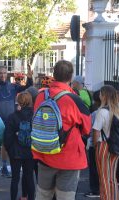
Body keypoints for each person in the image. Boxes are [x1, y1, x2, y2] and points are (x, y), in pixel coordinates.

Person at [33, 60, 91, 200]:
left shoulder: (41, 95)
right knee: (65, 197)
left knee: (43, 195)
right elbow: (87, 128)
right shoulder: (74, 100)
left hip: (44, 152)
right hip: (68, 157)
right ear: (71, 77)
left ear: (54, 74)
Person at [0, 66, 33, 177]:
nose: (3, 75)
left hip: (11, 121)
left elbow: (28, 86)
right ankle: (1, 166)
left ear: (7, 74)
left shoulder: (13, 87)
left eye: (4, 73)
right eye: (0, 73)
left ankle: (7, 166)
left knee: (10, 144)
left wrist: (29, 77)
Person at [93, 85, 119, 200]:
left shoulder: (102, 111)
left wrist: (96, 145)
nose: (99, 95)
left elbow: (96, 131)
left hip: (104, 145)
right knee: (112, 178)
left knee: (104, 178)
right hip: (116, 145)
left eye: (101, 93)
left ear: (104, 95)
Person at [4, 92, 35, 200]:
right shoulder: (35, 116)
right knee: (29, 177)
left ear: (19, 102)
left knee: (15, 179)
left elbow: (7, 137)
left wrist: (9, 150)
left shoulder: (12, 117)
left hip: (16, 152)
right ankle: (30, 198)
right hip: (31, 151)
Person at [84, 90, 101, 198]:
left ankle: (95, 190)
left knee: (94, 168)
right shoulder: (113, 111)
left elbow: (90, 130)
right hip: (108, 144)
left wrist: (92, 144)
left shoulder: (95, 114)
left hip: (96, 144)